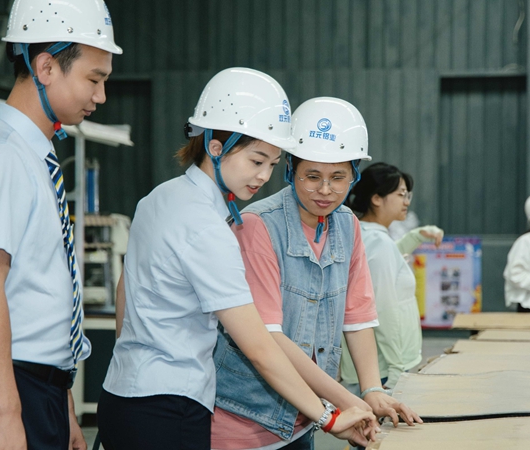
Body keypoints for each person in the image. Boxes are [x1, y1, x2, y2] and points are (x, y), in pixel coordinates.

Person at [98, 69, 377, 450]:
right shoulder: (212, 227)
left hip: (123, 395)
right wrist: (329, 416)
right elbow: (260, 347)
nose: (263, 176)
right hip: (171, 407)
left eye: (272, 164)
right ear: (215, 146)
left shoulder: (160, 198)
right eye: (256, 160)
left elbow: (124, 289)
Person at [0, 1, 121, 448]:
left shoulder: (34, 156)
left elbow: (41, 296)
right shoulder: (1, 156)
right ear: (46, 66)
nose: (101, 96)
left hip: (34, 387)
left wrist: (63, 402)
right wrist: (6, 412)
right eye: (94, 79)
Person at [211, 97, 422, 450]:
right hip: (245, 420)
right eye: (312, 176)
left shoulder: (348, 225)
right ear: (290, 169)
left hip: (303, 419)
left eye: (338, 177)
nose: (325, 190)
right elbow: (270, 338)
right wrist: (348, 403)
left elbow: (357, 314)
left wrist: (372, 389)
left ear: (354, 175)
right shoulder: (258, 226)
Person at [340, 163, 443, 399]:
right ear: (377, 198)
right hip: (385, 370)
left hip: (379, 365)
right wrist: (397, 368)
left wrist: (416, 237)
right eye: (400, 194)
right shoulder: (379, 243)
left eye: (408, 195)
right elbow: (383, 309)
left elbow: (387, 263)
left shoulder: (367, 234)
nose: (406, 201)